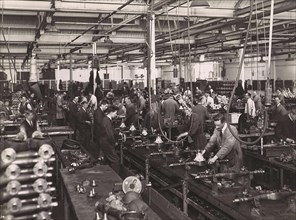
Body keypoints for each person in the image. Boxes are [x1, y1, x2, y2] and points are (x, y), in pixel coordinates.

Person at [100, 105, 120, 173]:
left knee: (108, 160)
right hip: (107, 143)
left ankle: (109, 173)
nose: (116, 114)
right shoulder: (107, 121)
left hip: (104, 142)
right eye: (115, 113)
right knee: (116, 160)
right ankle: (115, 177)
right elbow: (110, 135)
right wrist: (114, 142)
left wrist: (118, 133)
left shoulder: (107, 120)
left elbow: (112, 130)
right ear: (111, 112)